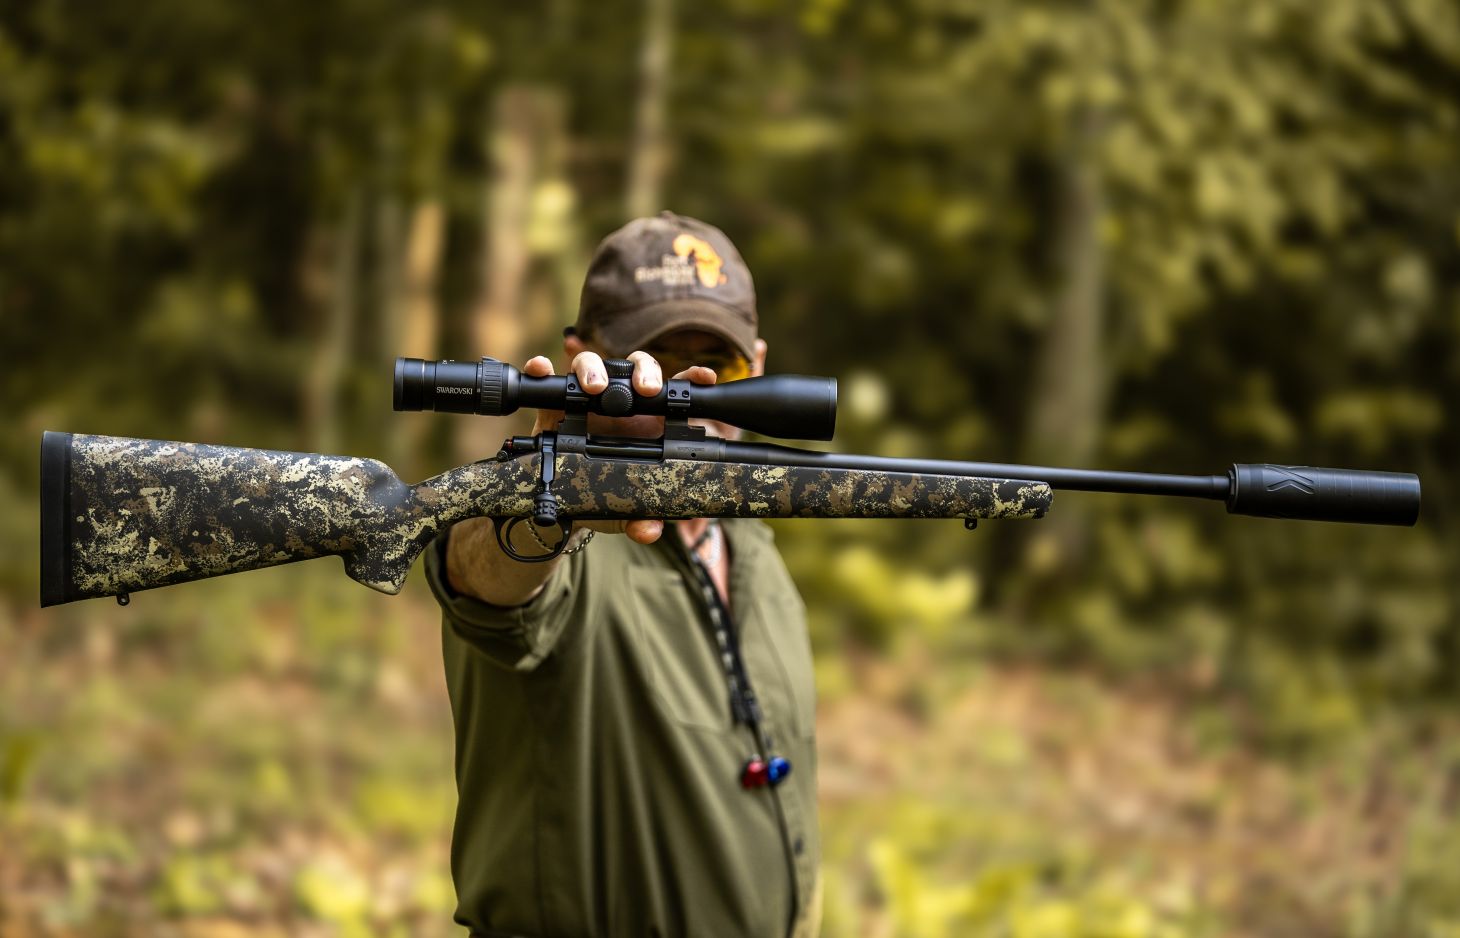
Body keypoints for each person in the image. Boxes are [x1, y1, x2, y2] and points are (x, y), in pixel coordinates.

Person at [424, 212, 822, 938]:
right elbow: (483, 578)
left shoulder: (753, 548)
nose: (688, 391)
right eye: (658, 361)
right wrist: (548, 508)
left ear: (756, 368)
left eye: (719, 365)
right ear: (582, 355)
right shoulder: (562, 534)